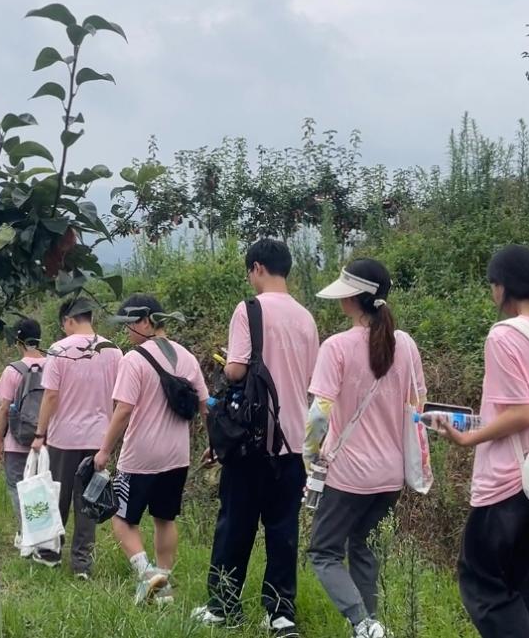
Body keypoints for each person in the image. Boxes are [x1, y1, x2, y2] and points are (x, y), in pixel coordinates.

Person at [434, 244, 529, 638]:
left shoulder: (503, 336)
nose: (492, 294)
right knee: (526, 591)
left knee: (481, 582)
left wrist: (469, 438)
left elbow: (521, 413)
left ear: (504, 286)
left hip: (509, 483)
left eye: (492, 285)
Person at [194, 239, 319, 637]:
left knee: (236, 523)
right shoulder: (306, 318)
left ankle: (223, 605)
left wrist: (228, 361)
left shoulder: (249, 310)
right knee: (283, 529)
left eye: (250, 272)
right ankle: (280, 613)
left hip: (252, 440)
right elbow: (312, 380)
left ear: (257, 268)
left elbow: (234, 370)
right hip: (293, 442)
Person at [305, 260, 426, 638]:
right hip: (391, 475)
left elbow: (320, 413)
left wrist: (309, 455)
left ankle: (363, 622)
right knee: (362, 547)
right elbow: (417, 404)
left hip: (348, 474)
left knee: (323, 552)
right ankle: (369, 626)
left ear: (353, 298)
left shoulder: (337, 347)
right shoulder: (404, 343)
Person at [96, 295, 208, 605]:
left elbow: (123, 410)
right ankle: (164, 587)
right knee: (164, 519)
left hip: (140, 457)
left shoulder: (134, 359)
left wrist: (104, 450)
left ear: (146, 322)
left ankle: (148, 575)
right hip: (177, 456)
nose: (128, 331)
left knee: (121, 519)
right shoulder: (187, 357)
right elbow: (205, 405)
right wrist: (213, 445)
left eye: (131, 323)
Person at [31, 299, 123, 576]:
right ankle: (82, 564)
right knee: (88, 501)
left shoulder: (58, 350)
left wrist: (39, 433)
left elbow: (51, 395)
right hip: (99, 440)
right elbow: (120, 398)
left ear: (68, 320)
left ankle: (51, 552)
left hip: (63, 438)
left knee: (56, 496)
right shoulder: (113, 351)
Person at [0, 318, 48, 556]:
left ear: (18, 341)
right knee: (40, 488)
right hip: (45, 439)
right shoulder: (52, 365)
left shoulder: (12, 370)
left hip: (17, 440)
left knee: (18, 488)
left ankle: (27, 535)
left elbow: (4, 408)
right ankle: (41, 537)